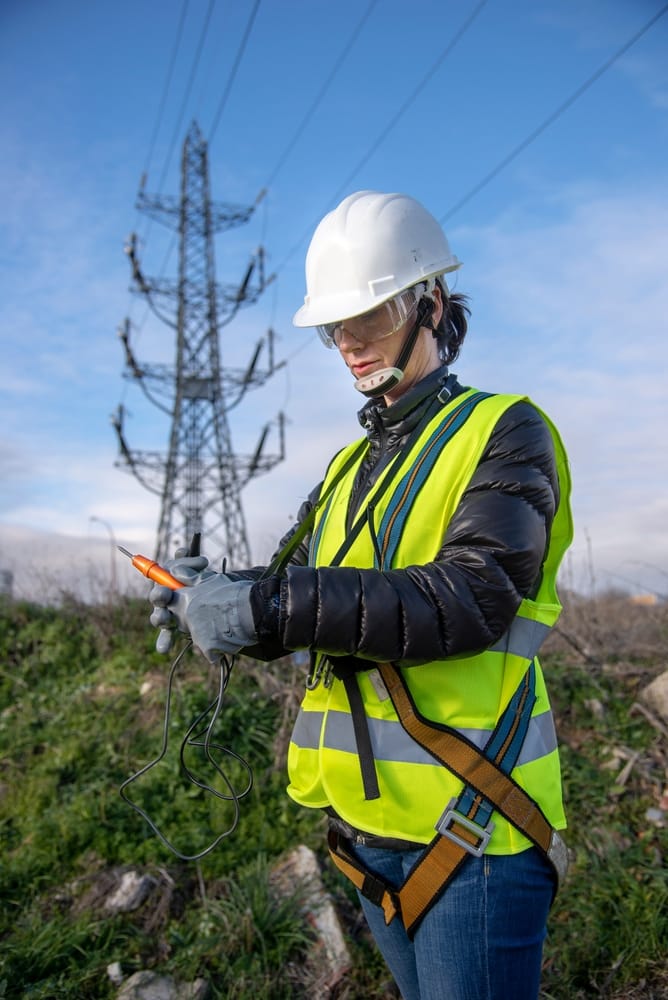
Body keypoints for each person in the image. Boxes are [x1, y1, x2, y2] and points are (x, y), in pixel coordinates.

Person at [149, 190, 573, 1000]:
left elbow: (471, 599)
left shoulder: (508, 433)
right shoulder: (348, 469)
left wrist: (270, 607)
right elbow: (307, 601)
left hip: (472, 825)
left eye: (370, 316)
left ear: (431, 304)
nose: (348, 344)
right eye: (334, 326)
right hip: (364, 830)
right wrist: (217, 597)